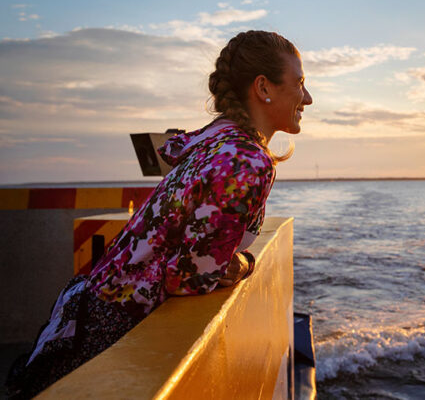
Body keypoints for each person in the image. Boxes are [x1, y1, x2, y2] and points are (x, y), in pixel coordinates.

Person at [5, 30, 312, 398]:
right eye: (300, 84)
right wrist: (247, 264)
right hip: (115, 331)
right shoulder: (246, 160)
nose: (307, 98)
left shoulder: (216, 141)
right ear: (263, 87)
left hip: (86, 312)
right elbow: (191, 278)